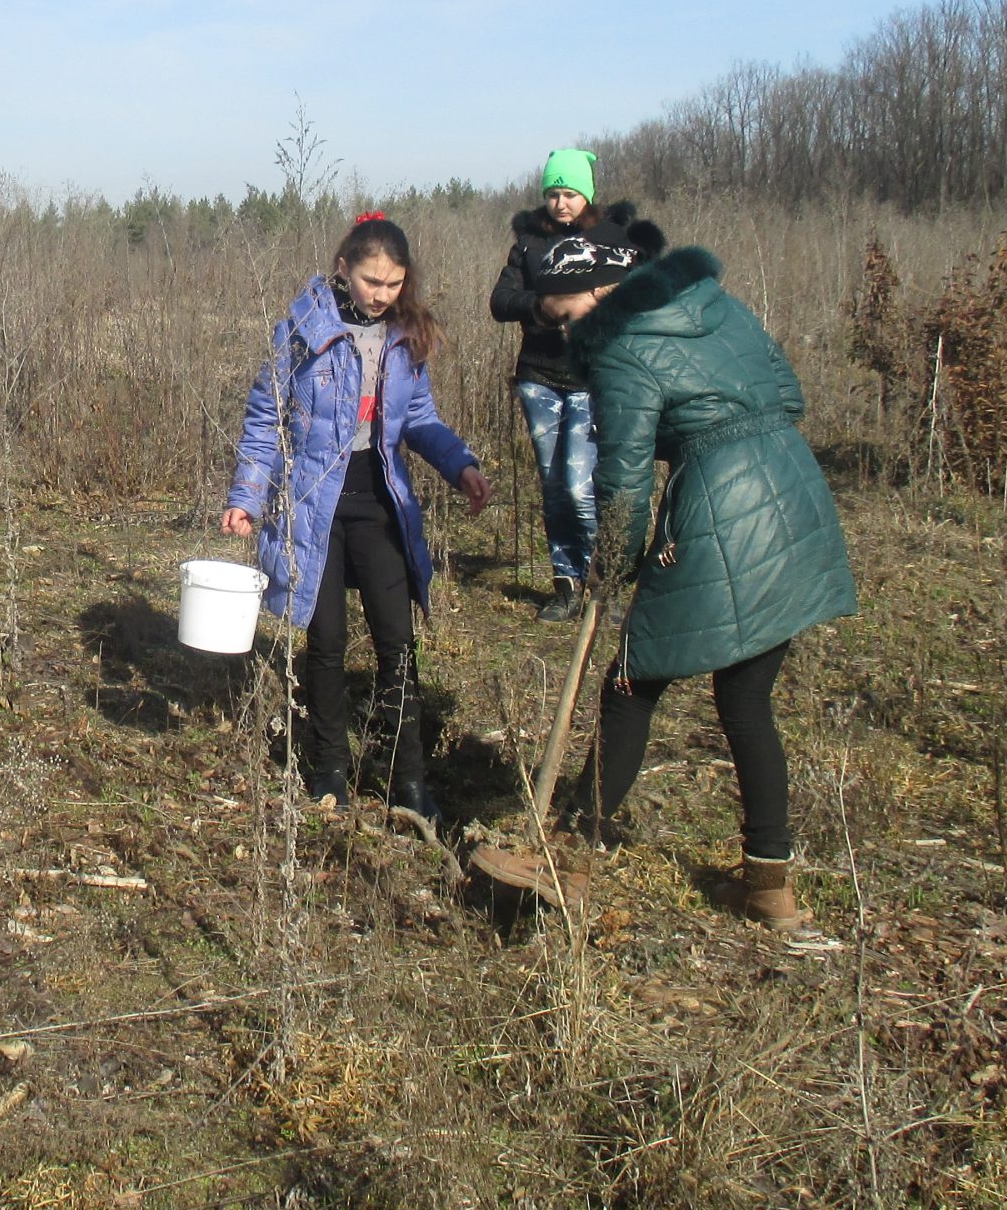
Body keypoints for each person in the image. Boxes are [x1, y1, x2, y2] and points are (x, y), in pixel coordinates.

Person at [534, 217, 857, 930]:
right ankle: (770, 888)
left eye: (564, 317)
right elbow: (789, 393)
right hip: (797, 493)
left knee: (632, 681)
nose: (563, 334)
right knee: (746, 702)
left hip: (720, 505)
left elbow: (622, 481)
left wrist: (609, 569)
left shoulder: (619, 351)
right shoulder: (713, 300)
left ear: (592, 293)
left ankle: (566, 852)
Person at [224, 214, 492, 827]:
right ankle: (328, 774)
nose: (383, 294)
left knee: (397, 642)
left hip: (381, 502)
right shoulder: (301, 328)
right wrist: (248, 495)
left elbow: (418, 416)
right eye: (373, 281)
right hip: (315, 504)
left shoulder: (404, 336)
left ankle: (409, 779)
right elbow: (266, 416)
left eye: (395, 284)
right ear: (344, 269)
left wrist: (460, 465)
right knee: (328, 644)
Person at [489, 149, 605, 619]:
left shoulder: (608, 242)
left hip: (590, 379)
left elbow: (635, 299)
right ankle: (566, 585)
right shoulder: (529, 244)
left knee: (581, 484)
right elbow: (501, 301)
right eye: (553, 193)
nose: (561, 203)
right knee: (553, 484)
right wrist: (545, 306)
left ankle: (604, 582)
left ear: (587, 196)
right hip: (538, 377)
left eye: (571, 193)